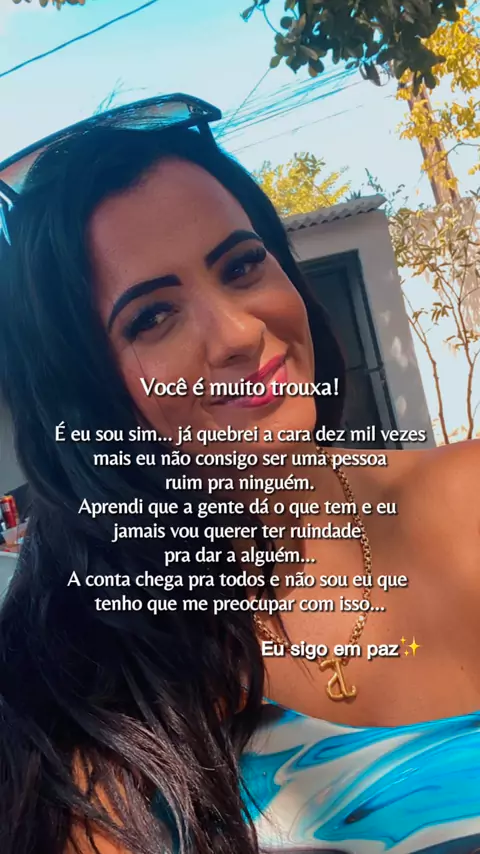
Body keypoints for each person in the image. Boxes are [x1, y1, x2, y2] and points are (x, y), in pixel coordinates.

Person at [0, 95, 479, 854]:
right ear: (87, 395)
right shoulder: (78, 695)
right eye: (151, 317)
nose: (237, 332)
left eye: (242, 265)